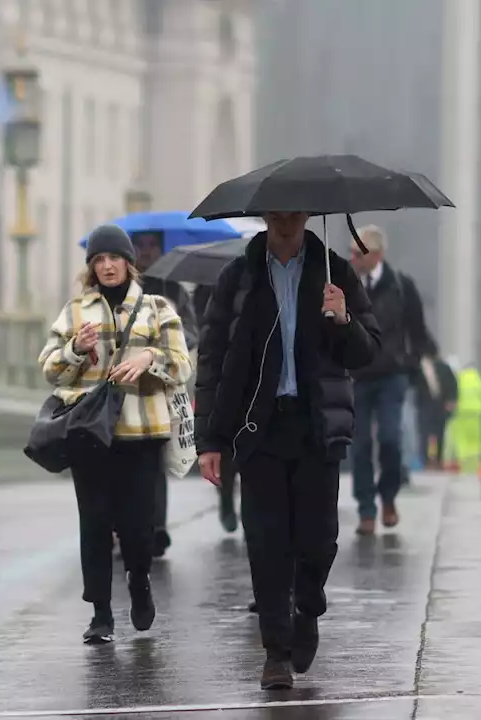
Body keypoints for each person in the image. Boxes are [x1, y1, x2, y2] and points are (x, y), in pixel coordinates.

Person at [195, 212, 380, 689]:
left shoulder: (335, 271)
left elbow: (367, 352)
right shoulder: (238, 279)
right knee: (266, 542)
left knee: (318, 539)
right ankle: (276, 652)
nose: (285, 220)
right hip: (259, 427)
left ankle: (309, 605)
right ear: (266, 217)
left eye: (294, 211)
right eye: (276, 212)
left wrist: (343, 319)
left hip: (317, 425)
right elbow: (213, 359)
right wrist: (210, 440)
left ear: (305, 215)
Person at [39, 224, 193, 645]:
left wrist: (150, 356)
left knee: (138, 526)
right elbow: (49, 367)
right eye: (99, 260)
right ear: (91, 267)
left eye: (114, 258)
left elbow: (182, 365)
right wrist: (73, 349)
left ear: (129, 262)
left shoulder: (158, 307)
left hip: (142, 432)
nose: (107, 266)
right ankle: (101, 613)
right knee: (94, 523)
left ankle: (140, 580)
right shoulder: (75, 311)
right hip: (89, 432)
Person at [347, 225, 436, 535]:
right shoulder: (346, 286)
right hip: (358, 375)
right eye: (351, 252)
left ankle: (388, 497)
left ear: (377, 255)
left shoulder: (401, 286)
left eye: (359, 253)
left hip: (392, 376)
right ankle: (366, 509)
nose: (353, 258)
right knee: (359, 446)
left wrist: (409, 364)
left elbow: (419, 331)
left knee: (390, 438)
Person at [131, 230, 199, 556]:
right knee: (127, 459)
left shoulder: (174, 290)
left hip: (164, 387)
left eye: (151, 246)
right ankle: (126, 527)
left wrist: (169, 332)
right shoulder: (122, 290)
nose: (146, 252)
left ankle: (156, 527)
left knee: (157, 457)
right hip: (127, 388)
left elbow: (193, 334)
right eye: (140, 246)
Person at [192, 285, 238, 533]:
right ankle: (227, 503)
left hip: (251, 384)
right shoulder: (205, 292)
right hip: (223, 383)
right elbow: (206, 340)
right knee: (227, 457)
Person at [415, 353, 459, 469]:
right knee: (425, 434)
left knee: (439, 433)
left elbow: (453, 385)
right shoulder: (418, 368)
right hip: (425, 406)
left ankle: (437, 459)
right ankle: (425, 460)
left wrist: (451, 401)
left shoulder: (443, 368)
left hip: (440, 406)